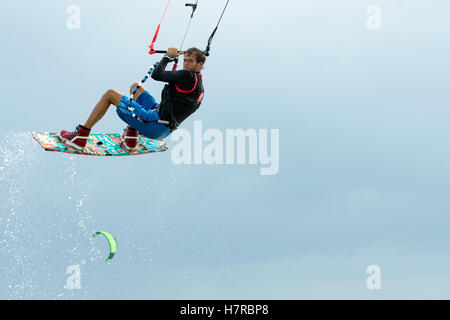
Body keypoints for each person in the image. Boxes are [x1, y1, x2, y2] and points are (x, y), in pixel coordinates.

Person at [60, 47, 205, 150]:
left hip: (153, 124)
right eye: (185, 60)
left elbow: (157, 74)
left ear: (200, 64)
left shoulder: (186, 76)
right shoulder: (198, 84)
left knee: (110, 94)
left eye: (190, 61)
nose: (186, 64)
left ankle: (81, 136)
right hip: (164, 125)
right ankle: (131, 137)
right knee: (136, 87)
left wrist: (167, 56)